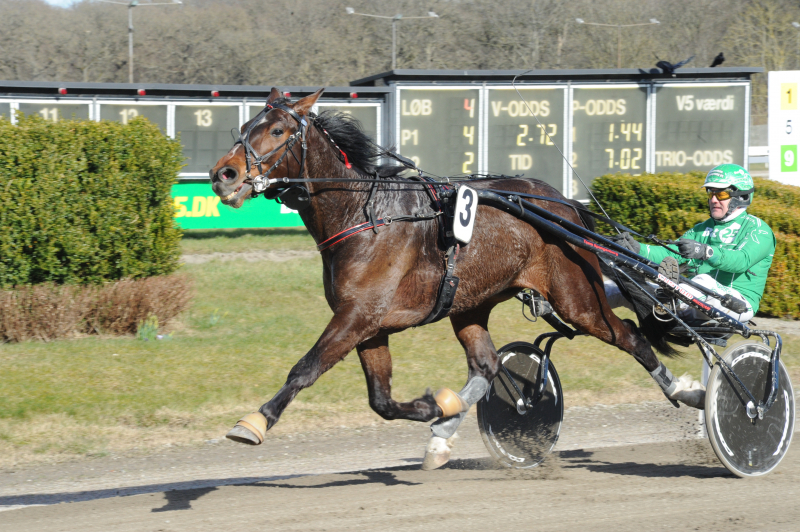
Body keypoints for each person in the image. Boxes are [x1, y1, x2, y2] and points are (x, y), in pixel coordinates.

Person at [605, 164, 776, 326]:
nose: (714, 200)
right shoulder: (701, 229)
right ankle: (581, 307)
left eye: (721, 194)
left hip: (737, 304)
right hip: (693, 298)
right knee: (621, 284)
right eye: (710, 193)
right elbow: (674, 255)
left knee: (702, 281)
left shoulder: (759, 230)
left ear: (742, 196)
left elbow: (741, 261)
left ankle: (669, 301)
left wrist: (705, 252)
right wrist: (638, 249)